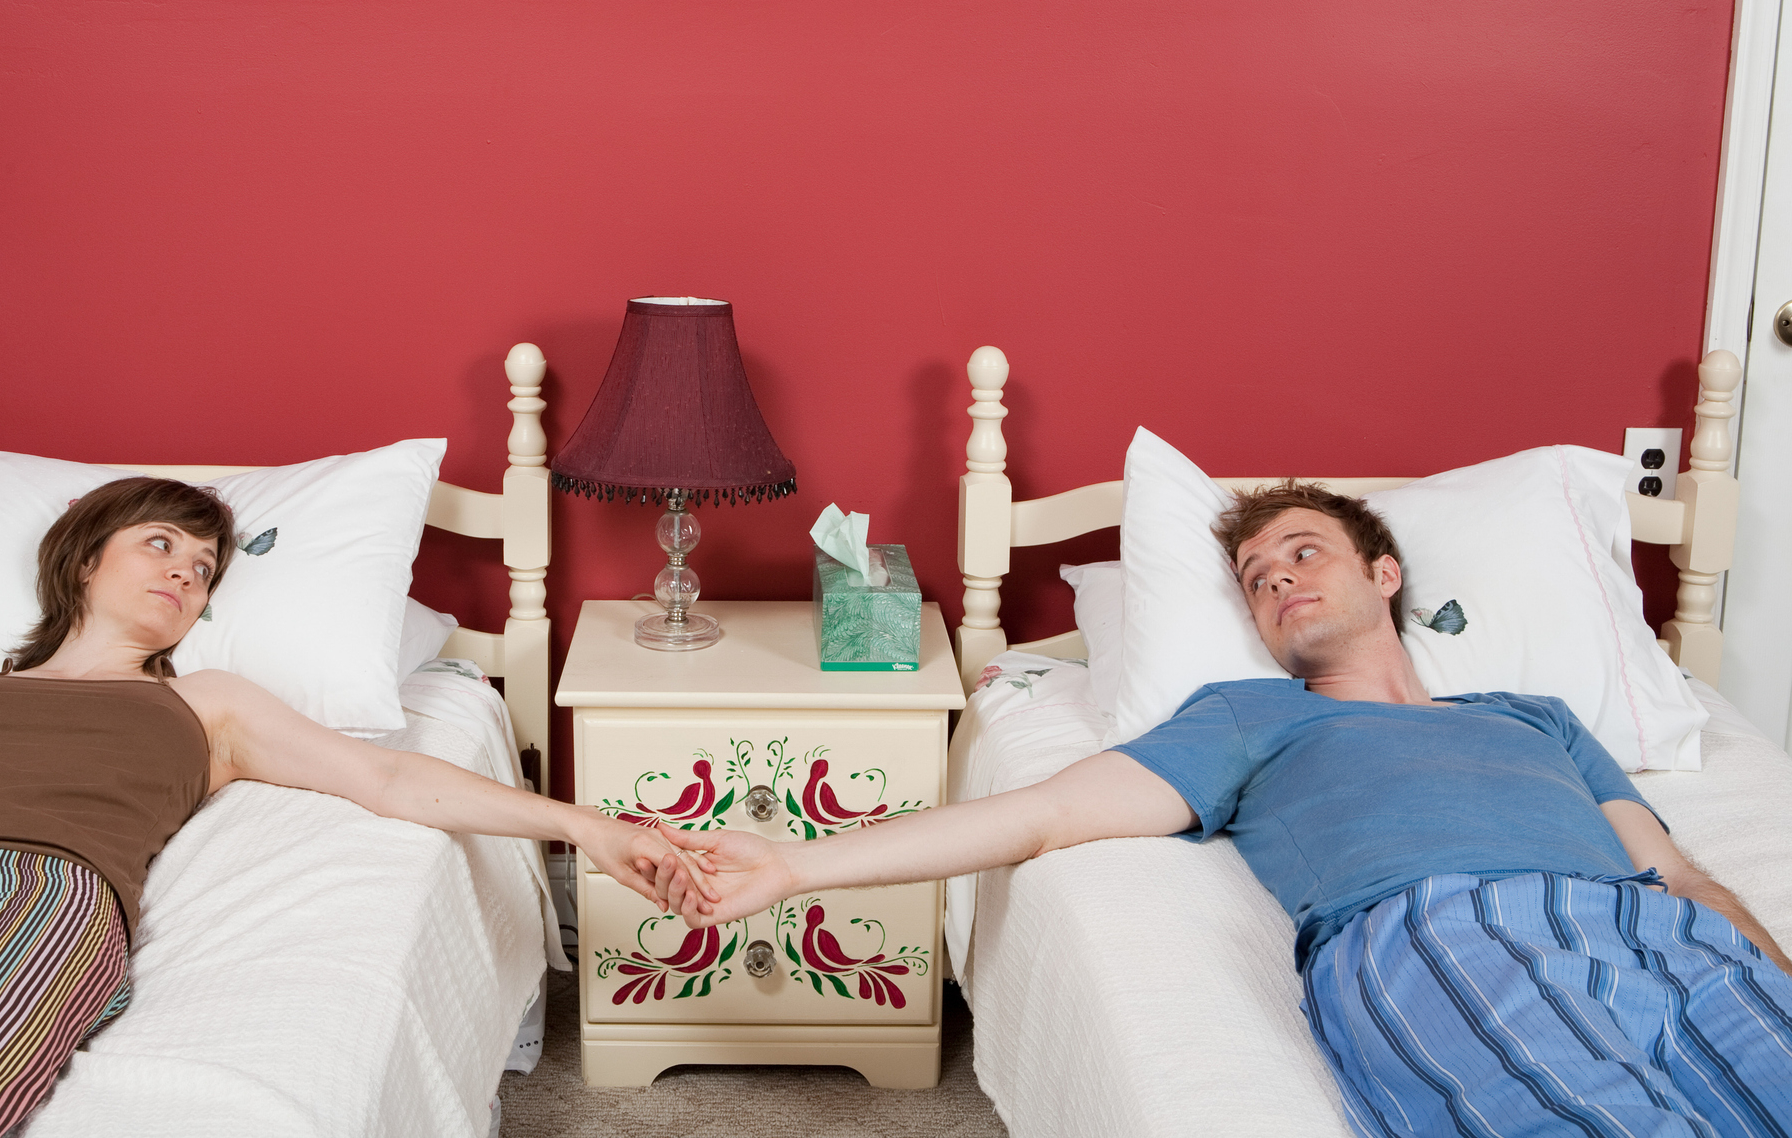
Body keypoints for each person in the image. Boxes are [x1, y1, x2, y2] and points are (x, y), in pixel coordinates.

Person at [653, 482, 1792, 1138]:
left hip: (1649, 929)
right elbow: (1048, 813)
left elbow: (1679, 877)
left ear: (1383, 575)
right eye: (1256, 575)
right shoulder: (1251, 715)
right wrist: (798, 868)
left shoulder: (1534, 713)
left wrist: (1762, 966)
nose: (1280, 577)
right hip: (1442, 926)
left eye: (1306, 551)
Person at [0, 477, 675, 1138]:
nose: (183, 578)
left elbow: (395, 781)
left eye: (201, 572)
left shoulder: (205, 703)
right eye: (159, 546)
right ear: (82, 561)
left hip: (42, 888)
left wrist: (588, 826)